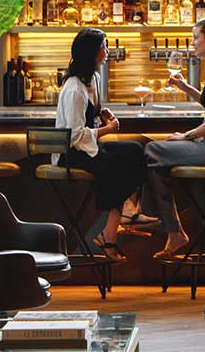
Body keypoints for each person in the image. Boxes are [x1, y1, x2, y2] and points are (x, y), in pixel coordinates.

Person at [141, 16, 205, 258]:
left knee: (152, 150)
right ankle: (171, 229)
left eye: (195, 38)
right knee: (158, 160)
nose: (192, 43)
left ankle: (152, 219)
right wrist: (186, 88)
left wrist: (185, 136)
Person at [55, 28, 155, 259]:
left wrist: (103, 114)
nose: (108, 51)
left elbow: (92, 113)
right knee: (112, 165)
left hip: (88, 147)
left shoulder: (95, 79)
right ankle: (110, 235)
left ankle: (129, 210)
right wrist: (108, 129)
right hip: (70, 153)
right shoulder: (73, 89)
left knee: (134, 150)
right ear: (92, 53)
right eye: (104, 47)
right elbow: (75, 136)